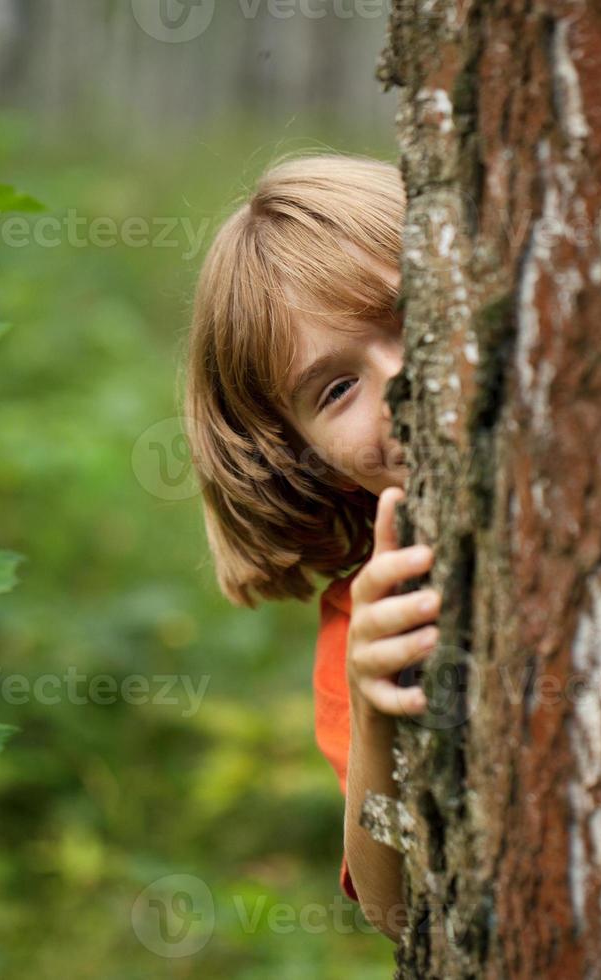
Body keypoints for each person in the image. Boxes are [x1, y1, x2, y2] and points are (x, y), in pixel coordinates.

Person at [183, 152, 437, 942]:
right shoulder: (364, 622)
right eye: (336, 387)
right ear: (299, 454)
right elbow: (396, 912)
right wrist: (371, 698)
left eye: (414, 314)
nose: (399, 380)